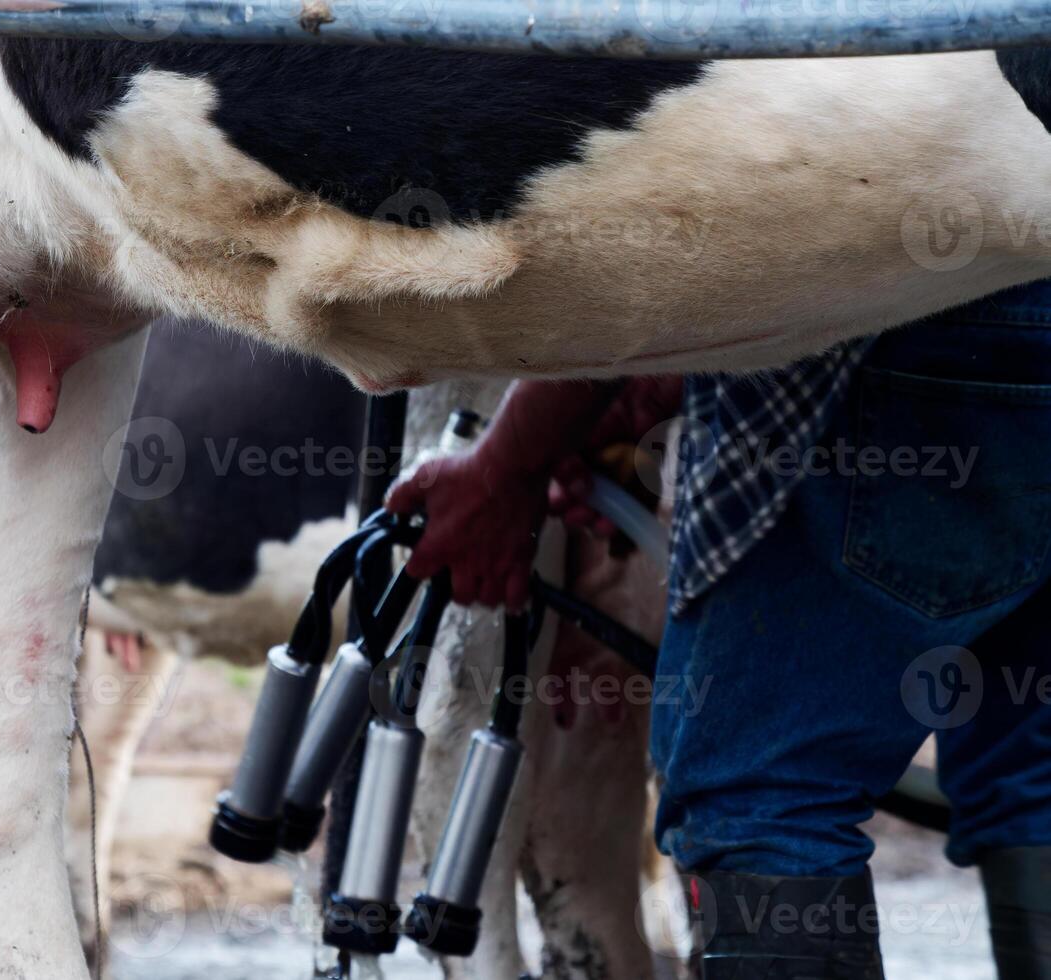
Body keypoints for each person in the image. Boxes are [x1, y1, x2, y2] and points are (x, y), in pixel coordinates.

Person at [387, 281, 1051, 978]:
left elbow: (682, 243)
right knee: (1031, 776)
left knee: (764, 798)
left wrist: (507, 460)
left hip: (890, 342)